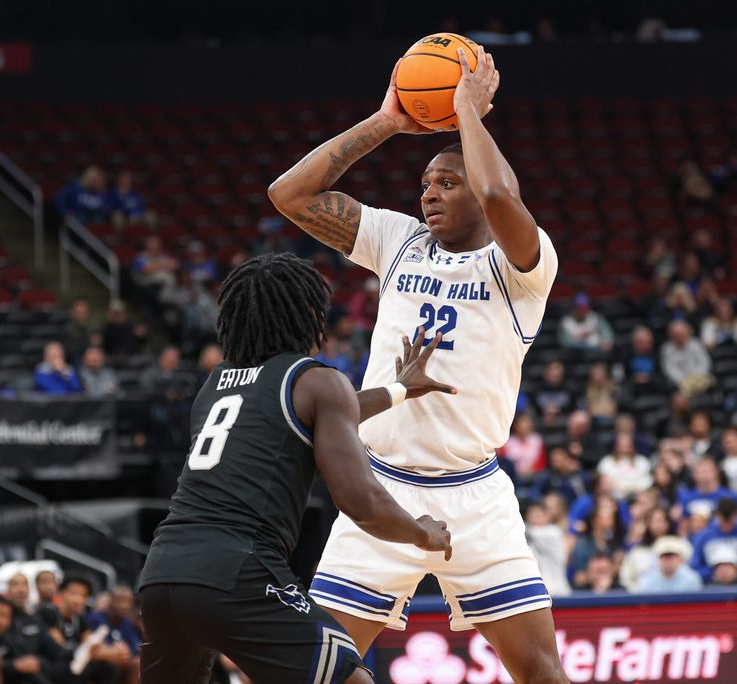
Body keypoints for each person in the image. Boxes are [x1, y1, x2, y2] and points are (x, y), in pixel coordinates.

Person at [268, 49, 568, 682]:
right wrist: (386, 123)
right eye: (424, 184)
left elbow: (497, 190)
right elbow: (289, 193)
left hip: (473, 495)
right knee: (313, 673)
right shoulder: (398, 240)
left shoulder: (524, 269)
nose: (430, 193)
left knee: (541, 671)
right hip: (377, 487)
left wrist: (465, 113)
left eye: (446, 183)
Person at [137, 253, 454, 683]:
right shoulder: (317, 380)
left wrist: (398, 390)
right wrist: (422, 532)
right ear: (308, 315)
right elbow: (362, 502)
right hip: (238, 569)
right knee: (351, 678)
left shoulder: (215, 385)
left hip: (162, 573)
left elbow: (324, 412)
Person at [0, 595, 70, 684]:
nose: (0, 621)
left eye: (5, 617)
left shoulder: (5, 637)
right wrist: (14, 666)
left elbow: (22, 661)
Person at [690, 497, 737, 582]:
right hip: (711, 582)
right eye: (724, 520)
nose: (727, 525)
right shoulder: (703, 536)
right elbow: (695, 565)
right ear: (717, 515)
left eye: (730, 520)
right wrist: (713, 573)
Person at [524, 502, 571, 597]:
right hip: (539, 593)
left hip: (558, 591)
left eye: (538, 516)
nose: (534, 520)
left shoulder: (553, 532)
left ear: (547, 517)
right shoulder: (528, 538)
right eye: (531, 516)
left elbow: (526, 531)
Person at [660, 320, 713, 397]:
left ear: (687, 333)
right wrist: (684, 381)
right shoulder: (666, 349)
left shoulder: (696, 344)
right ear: (671, 336)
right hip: (679, 383)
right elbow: (669, 370)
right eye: (676, 335)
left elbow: (705, 363)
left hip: (699, 378)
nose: (680, 337)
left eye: (682, 334)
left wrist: (696, 377)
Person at [634, 537, 702, 594]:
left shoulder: (692, 579)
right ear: (658, 560)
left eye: (672, 557)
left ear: (680, 559)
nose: (668, 561)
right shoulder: (647, 580)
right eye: (664, 557)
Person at [596, 433, 651, 499]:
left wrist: (632, 489)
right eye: (621, 446)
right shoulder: (606, 462)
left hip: (639, 497)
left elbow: (648, 481)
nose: (624, 450)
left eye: (627, 446)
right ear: (616, 446)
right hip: (612, 498)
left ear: (633, 446)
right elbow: (604, 482)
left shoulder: (642, 462)